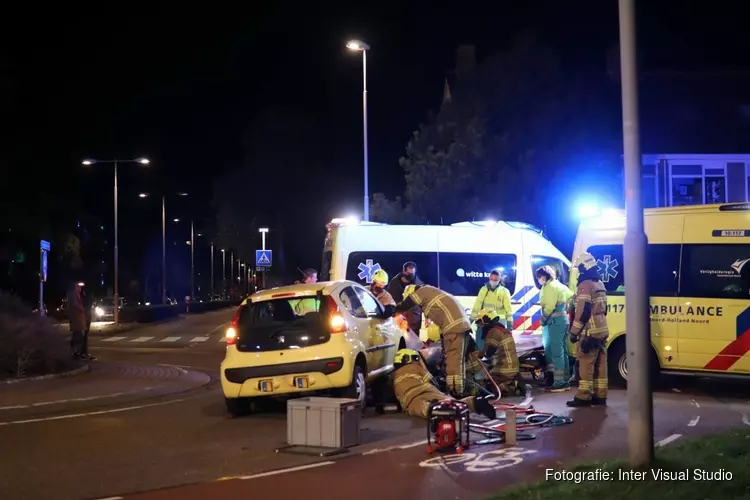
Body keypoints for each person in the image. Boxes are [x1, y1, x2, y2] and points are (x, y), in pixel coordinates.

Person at [395, 284, 472, 396]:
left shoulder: (422, 292)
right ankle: (458, 389)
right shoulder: (432, 292)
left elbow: (407, 304)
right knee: (457, 359)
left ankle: (455, 391)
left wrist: (393, 310)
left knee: (453, 360)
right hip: (459, 326)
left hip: (454, 328)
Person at [391, 348, 496, 420]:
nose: (417, 361)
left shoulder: (393, 375)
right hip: (428, 390)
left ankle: (435, 409)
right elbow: (433, 381)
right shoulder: (417, 368)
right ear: (408, 359)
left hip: (411, 399)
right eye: (415, 358)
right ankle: (473, 402)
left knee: (423, 409)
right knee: (450, 402)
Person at [567, 252, 610, 407]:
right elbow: (604, 308)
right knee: (600, 364)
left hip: (589, 332)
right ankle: (600, 396)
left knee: (585, 364)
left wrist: (573, 332)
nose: (579, 271)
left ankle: (583, 396)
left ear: (584, 267)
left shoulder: (585, 285)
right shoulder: (599, 284)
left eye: (579, 267)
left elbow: (583, 312)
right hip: (602, 330)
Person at [465, 309, 526, 396]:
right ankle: (512, 381)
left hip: (505, 366)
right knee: (490, 370)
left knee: (488, 382)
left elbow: (489, 353)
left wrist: (476, 354)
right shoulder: (501, 329)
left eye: (481, 322)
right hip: (513, 365)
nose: (480, 326)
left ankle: (511, 386)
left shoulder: (493, 332)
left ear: (487, 320)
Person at [537, 265, 574, 392]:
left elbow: (548, 308)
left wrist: (542, 321)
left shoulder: (549, 287)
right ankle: (565, 380)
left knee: (557, 353)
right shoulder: (560, 285)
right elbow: (572, 299)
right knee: (563, 351)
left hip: (555, 322)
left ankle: (559, 383)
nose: (539, 279)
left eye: (539, 277)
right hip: (564, 321)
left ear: (544, 276)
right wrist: (564, 311)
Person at [387, 261, 424, 333]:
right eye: (408, 273)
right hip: (398, 317)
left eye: (412, 274)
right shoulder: (394, 283)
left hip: (414, 320)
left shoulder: (418, 285)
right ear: (404, 271)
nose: (410, 275)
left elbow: (423, 302)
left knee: (413, 340)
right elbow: (390, 300)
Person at [67, 281, 87, 359]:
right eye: (78, 287)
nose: (80, 288)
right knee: (78, 335)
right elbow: (75, 304)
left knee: (78, 334)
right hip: (75, 317)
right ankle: (75, 351)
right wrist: (81, 309)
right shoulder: (72, 294)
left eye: (80, 287)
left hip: (79, 317)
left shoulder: (78, 294)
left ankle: (76, 351)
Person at [80, 284, 96, 360]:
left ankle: (84, 352)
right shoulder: (86, 298)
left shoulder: (85, 297)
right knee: (83, 335)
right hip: (84, 317)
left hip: (86, 317)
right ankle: (83, 352)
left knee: (84, 335)